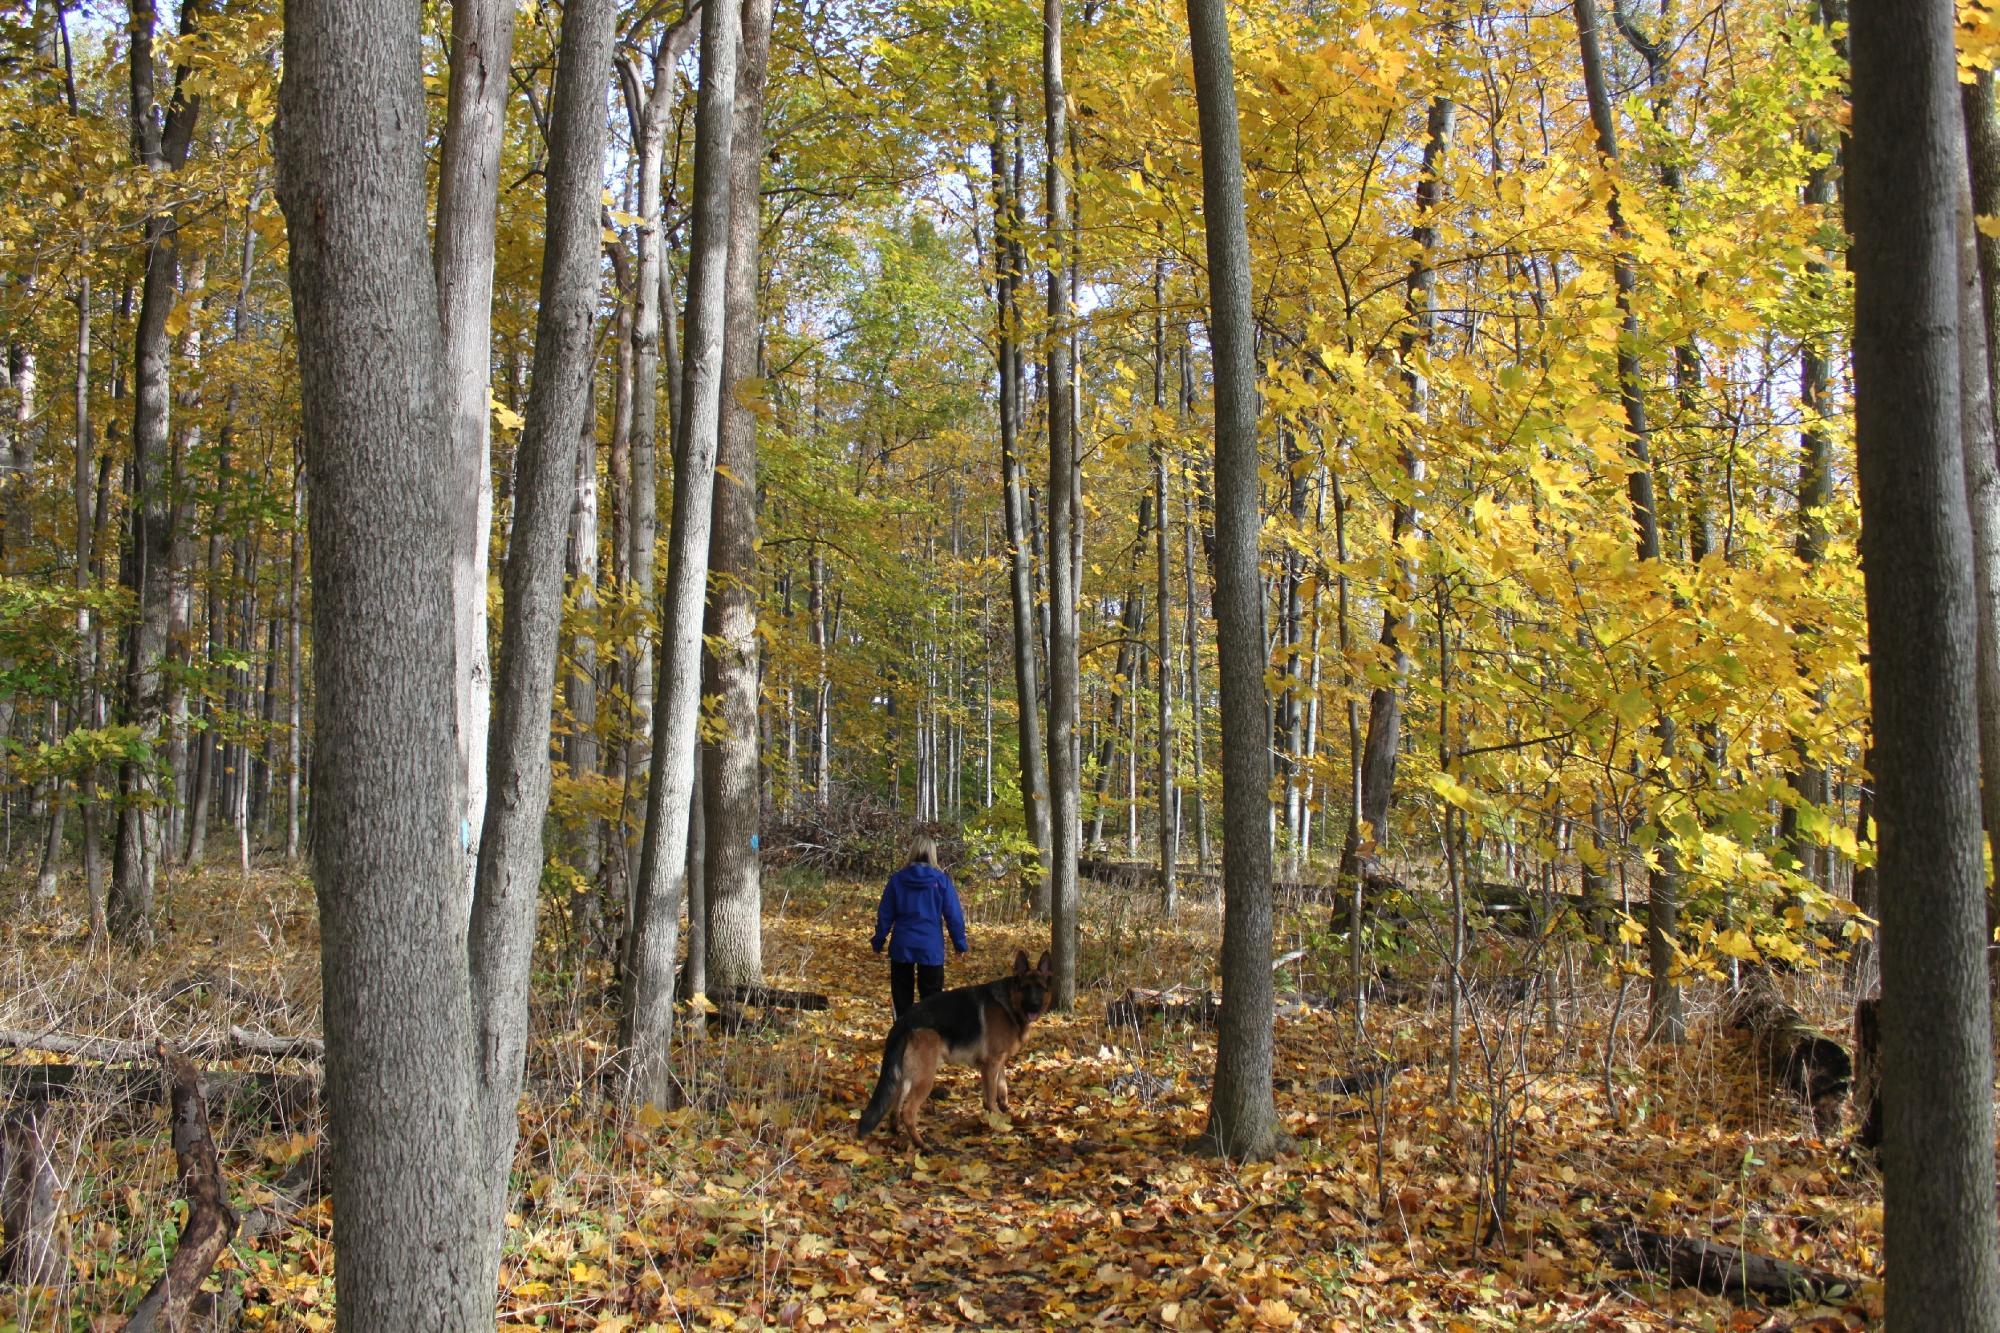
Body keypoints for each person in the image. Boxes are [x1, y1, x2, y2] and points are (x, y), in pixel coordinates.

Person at [871, 835, 969, 1018]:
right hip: (930, 947)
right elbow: (954, 916)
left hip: (902, 945)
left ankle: (903, 1039)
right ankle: (928, 1040)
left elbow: (885, 915)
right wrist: (960, 944)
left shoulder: (897, 880)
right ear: (933, 854)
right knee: (932, 1001)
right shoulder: (941, 881)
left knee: (901, 999)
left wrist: (878, 941)